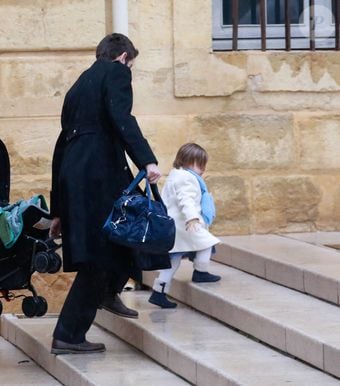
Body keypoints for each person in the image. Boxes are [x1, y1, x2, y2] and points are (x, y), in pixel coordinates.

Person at [49, 33, 161, 355]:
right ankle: (69, 334)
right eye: (131, 63)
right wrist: (147, 160)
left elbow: (61, 145)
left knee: (116, 241)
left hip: (75, 178)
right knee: (110, 247)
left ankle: (109, 292)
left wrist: (58, 207)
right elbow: (122, 117)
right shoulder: (115, 72)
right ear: (124, 56)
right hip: (98, 176)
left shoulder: (78, 86)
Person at [148, 143, 221, 309]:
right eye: (200, 164)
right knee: (207, 244)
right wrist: (192, 218)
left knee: (173, 260)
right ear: (187, 162)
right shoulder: (185, 179)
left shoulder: (176, 176)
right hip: (185, 226)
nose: (203, 169)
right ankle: (200, 272)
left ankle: (158, 292)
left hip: (178, 228)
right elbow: (185, 199)